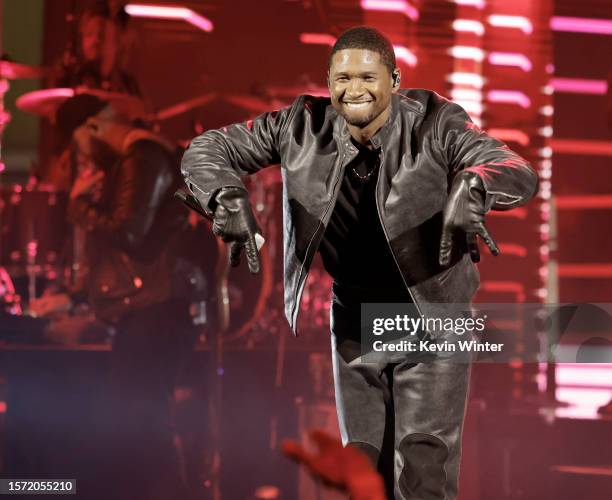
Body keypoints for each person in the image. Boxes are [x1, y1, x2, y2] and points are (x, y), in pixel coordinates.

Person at [181, 26, 538, 499]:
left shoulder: (436, 121)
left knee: (422, 471)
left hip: (431, 316)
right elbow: (209, 148)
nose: (354, 90)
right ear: (328, 82)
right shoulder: (301, 125)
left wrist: (474, 186)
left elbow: (512, 167)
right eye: (342, 78)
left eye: (368, 77)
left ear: (394, 79)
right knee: (362, 471)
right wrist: (224, 195)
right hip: (355, 318)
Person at [33, 95, 199, 499]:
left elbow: (129, 236)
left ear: (92, 127)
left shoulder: (141, 157)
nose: (83, 158)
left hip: (155, 317)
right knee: (141, 437)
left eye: (79, 145)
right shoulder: (142, 157)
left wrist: (79, 206)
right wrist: (77, 297)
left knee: (145, 437)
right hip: (153, 313)